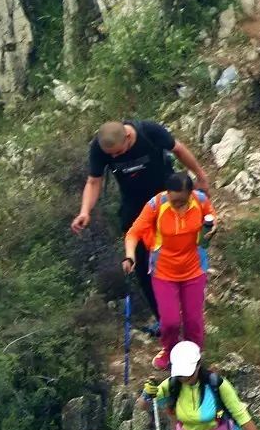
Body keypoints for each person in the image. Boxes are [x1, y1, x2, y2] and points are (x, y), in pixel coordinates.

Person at [72, 120, 211, 333]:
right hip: (134, 207)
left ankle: (186, 307)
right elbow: (94, 182)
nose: (115, 158)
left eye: (118, 153)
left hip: (166, 202)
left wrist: (200, 176)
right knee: (143, 265)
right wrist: (84, 211)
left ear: (127, 137)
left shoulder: (149, 132)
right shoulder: (100, 147)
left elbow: (179, 149)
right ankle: (164, 319)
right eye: (112, 156)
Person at [123, 171, 215, 370]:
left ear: (191, 194)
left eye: (181, 201)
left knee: (193, 320)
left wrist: (212, 227)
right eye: (173, 201)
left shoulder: (200, 201)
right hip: (164, 272)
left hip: (194, 269)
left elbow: (211, 219)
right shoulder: (156, 205)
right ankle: (169, 351)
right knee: (171, 321)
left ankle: (194, 355)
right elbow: (133, 233)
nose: (176, 205)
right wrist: (130, 256)